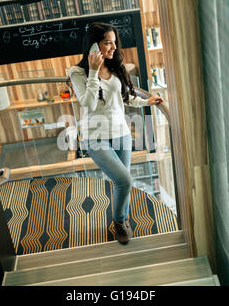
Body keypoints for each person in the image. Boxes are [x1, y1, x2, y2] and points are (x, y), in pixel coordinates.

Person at [68, 22, 163, 244]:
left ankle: (122, 219)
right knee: (125, 180)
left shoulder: (116, 66)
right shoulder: (77, 72)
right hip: (96, 136)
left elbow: (125, 97)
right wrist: (93, 72)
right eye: (106, 42)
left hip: (121, 132)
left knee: (123, 182)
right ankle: (120, 221)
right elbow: (89, 104)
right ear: (93, 46)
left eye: (114, 41)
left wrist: (146, 101)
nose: (112, 47)